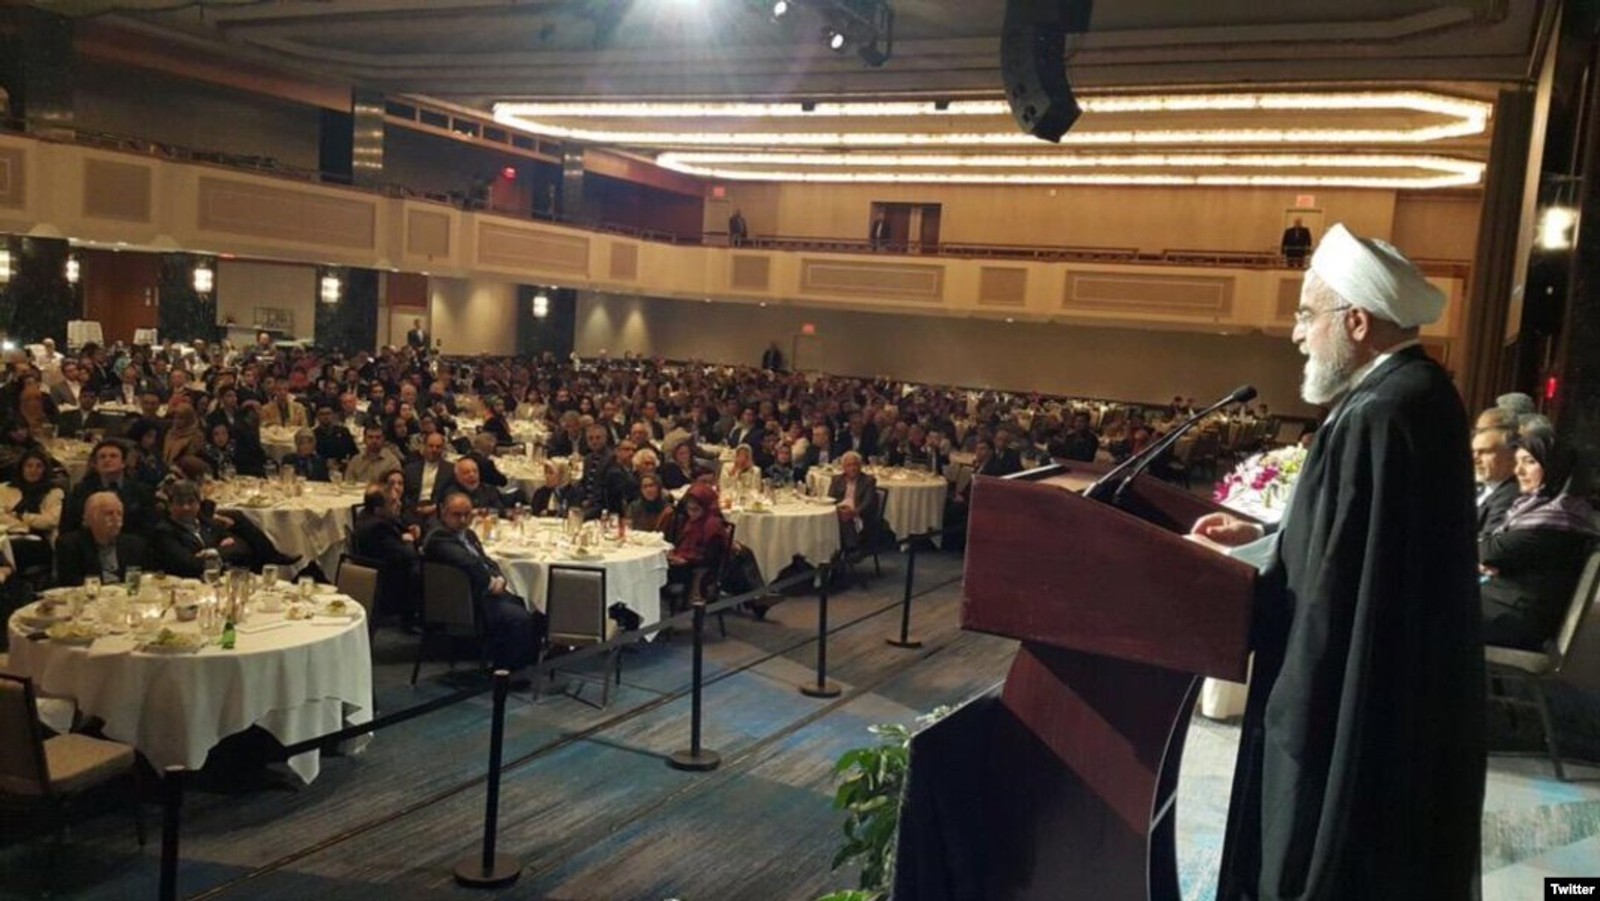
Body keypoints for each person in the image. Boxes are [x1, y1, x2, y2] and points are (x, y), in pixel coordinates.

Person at [1190, 223, 1483, 900]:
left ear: (1356, 322)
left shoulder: (1380, 412)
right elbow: (1351, 542)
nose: (1297, 334)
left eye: (1307, 315)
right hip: (1400, 691)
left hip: (1353, 698)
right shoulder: (1417, 394)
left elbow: (1339, 579)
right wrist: (1263, 535)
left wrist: (1294, 701)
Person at [1479, 431, 1599, 650]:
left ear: (1555, 468)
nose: (1518, 471)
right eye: (1517, 462)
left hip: (1516, 619)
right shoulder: (1540, 511)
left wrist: (1491, 559)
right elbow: (1493, 551)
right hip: (1502, 603)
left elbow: (1488, 551)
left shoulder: (1557, 521)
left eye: (1529, 462)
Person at [423, 492, 542, 674]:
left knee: (535, 607)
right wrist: (490, 583)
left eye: (467, 514)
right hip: (463, 602)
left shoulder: (468, 534)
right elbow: (468, 562)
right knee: (518, 617)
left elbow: (487, 561)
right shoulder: (438, 538)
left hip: (482, 595)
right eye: (457, 515)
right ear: (443, 512)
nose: (463, 520)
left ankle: (522, 666)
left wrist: (499, 577)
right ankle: (506, 672)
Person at [352, 483, 423, 626]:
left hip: (388, 564)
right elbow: (407, 556)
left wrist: (405, 534)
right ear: (378, 509)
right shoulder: (378, 527)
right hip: (388, 578)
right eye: (393, 502)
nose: (399, 504)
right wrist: (410, 540)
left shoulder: (370, 515)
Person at [62, 441, 157, 534]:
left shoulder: (141, 491)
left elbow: (149, 527)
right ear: (95, 464)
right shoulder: (82, 490)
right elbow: (70, 525)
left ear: (123, 463)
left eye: (113, 456)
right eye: (102, 457)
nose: (107, 460)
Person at [56, 491, 148, 586]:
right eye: (109, 513)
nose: (116, 518)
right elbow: (70, 583)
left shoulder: (135, 545)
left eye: (119, 513)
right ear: (91, 518)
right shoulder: (70, 545)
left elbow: (145, 579)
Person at [666, 483, 728, 596]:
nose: (691, 513)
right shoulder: (694, 521)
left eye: (695, 509)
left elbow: (711, 557)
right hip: (687, 561)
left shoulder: (712, 526)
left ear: (706, 507)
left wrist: (686, 560)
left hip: (697, 567)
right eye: (689, 509)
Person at [0, 449, 63, 538]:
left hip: (39, 537)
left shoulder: (54, 492)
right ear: (22, 468)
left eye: (39, 466)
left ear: (45, 470)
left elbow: (51, 521)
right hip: (7, 533)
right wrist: (23, 527)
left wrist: (22, 516)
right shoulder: (5, 489)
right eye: (29, 466)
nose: (33, 470)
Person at [1472, 421, 1520, 538]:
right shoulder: (1479, 487)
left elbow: (1487, 539)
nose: (1475, 458)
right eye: (1473, 452)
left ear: (1511, 456)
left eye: (1485, 451)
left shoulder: (1512, 494)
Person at [828, 451, 878, 552]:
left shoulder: (868, 480)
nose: (852, 468)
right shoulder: (836, 479)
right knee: (839, 517)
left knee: (845, 519)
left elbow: (868, 502)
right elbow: (830, 499)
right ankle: (847, 548)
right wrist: (838, 509)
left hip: (859, 513)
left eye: (855, 464)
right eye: (849, 465)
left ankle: (848, 549)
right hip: (839, 510)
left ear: (860, 466)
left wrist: (854, 512)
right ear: (843, 467)